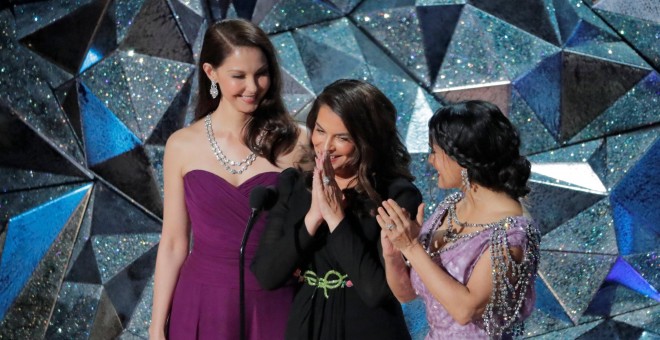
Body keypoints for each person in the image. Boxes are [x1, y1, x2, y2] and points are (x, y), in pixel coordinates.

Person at [149, 19, 305, 339]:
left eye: (261, 74)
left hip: (277, 301)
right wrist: (155, 326)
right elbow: (174, 243)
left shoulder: (298, 142)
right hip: (201, 302)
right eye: (239, 76)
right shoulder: (181, 144)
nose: (253, 87)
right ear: (211, 72)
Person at [251, 79, 422, 339]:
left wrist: (336, 219)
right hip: (306, 326)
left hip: (369, 329)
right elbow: (267, 275)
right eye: (320, 131)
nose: (326, 145)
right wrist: (313, 218)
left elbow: (376, 292)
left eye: (342, 138)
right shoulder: (293, 184)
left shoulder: (396, 195)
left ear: (367, 140)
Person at [376, 100, 541, 339]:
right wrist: (393, 253)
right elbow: (407, 293)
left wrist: (412, 247)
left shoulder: (513, 234)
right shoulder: (449, 208)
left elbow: (466, 309)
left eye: (435, 152)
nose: (431, 161)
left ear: (461, 159)